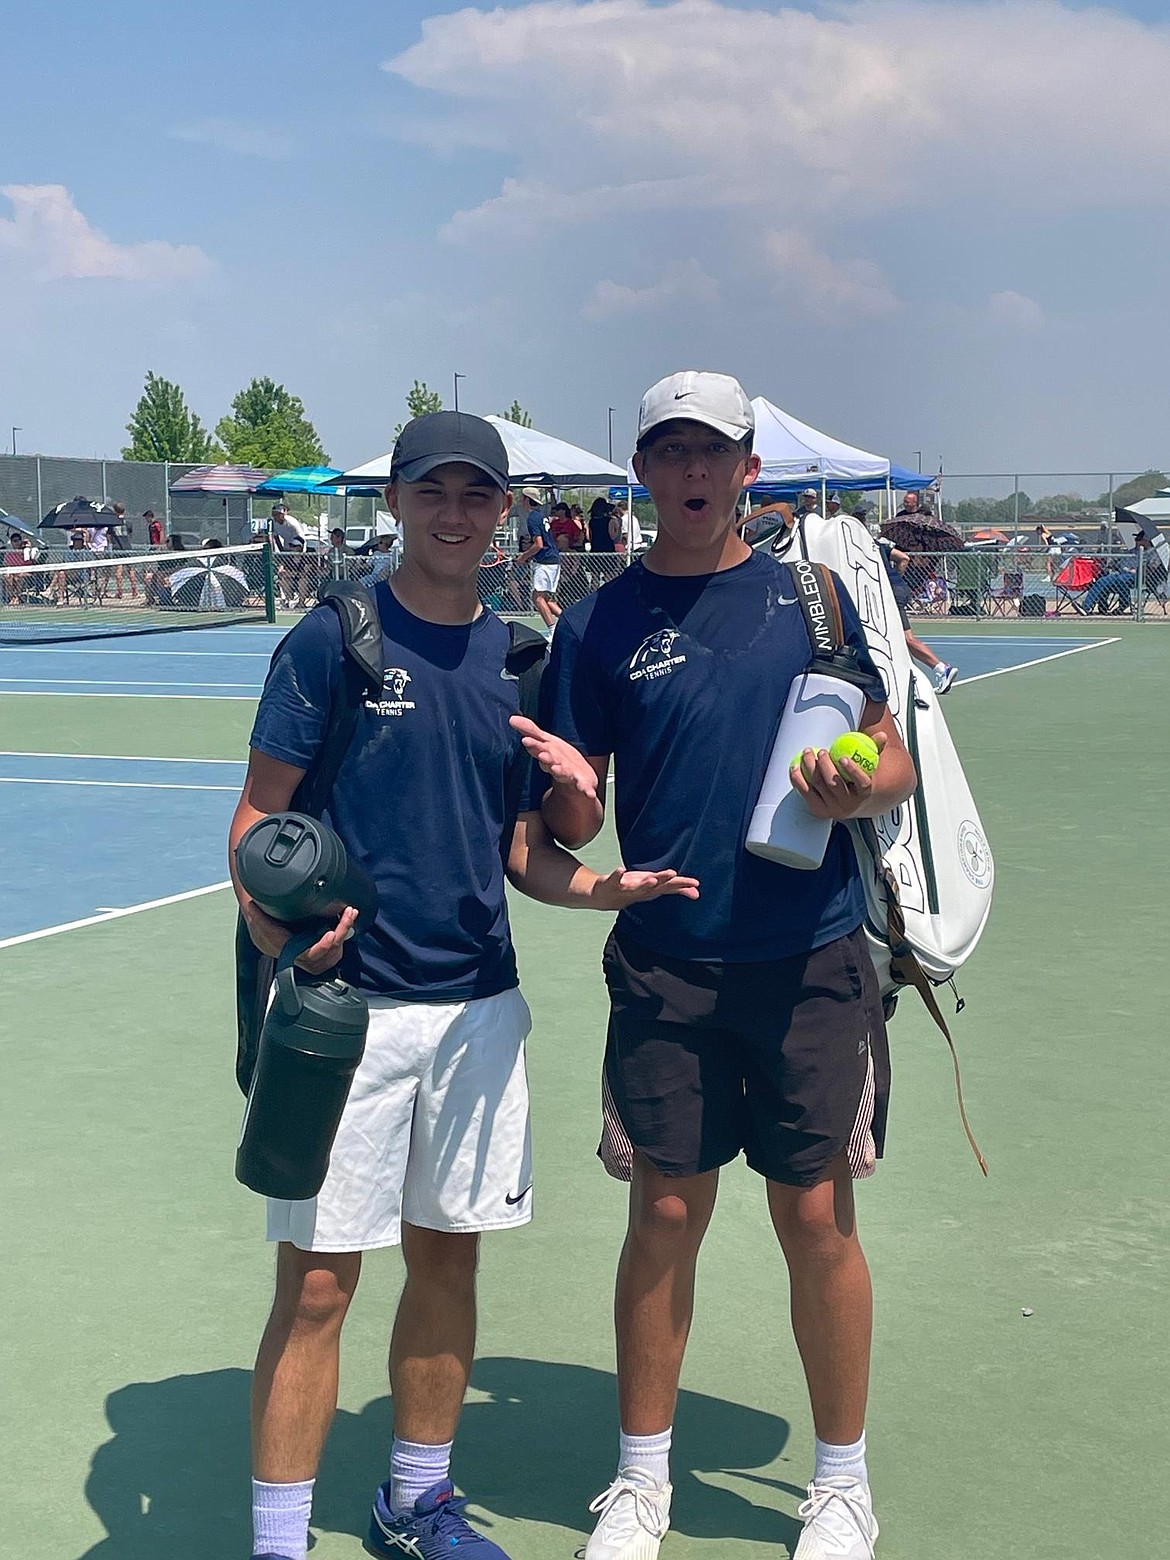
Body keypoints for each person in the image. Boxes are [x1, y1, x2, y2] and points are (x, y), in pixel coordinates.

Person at [232, 410, 689, 1560]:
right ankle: (281, 1541)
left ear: (503, 512)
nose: (454, 513)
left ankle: (415, 1500)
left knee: (447, 1258)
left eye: (476, 495)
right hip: (350, 1019)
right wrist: (286, 945)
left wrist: (600, 889)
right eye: (432, 492)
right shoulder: (331, 642)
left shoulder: (520, 659)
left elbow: (525, 848)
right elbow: (256, 824)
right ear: (394, 502)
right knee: (321, 1286)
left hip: (479, 1010)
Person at [529, 371, 917, 1560]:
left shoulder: (814, 601)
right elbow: (569, 828)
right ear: (643, 473)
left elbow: (893, 759)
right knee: (665, 1214)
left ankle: (841, 1486)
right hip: (666, 967)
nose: (692, 474)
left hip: (811, 963)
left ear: (750, 470)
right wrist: (576, 795)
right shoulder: (595, 624)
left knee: (816, 1218)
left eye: (715, 453)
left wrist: (862, 780)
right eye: (670, 453)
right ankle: (641, 1484)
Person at [862, 501, 958, 693]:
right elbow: (903, 558)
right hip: (895, 589)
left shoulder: (862, 547)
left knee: (906, 639)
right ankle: (910, 678)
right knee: (894, 638)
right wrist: (898, 577)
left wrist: (891, 583)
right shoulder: (877, 545)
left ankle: (941, 668)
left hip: (890, 592)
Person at [516, 485, 562, 631]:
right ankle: (570, 621)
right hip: (553, 560)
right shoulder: (541, 516)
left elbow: (539, 544)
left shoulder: (532, 518)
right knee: (546, 599)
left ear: (526, 500)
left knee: (537, 598)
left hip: (546, 562)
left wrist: (523, 556)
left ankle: (553, 630)